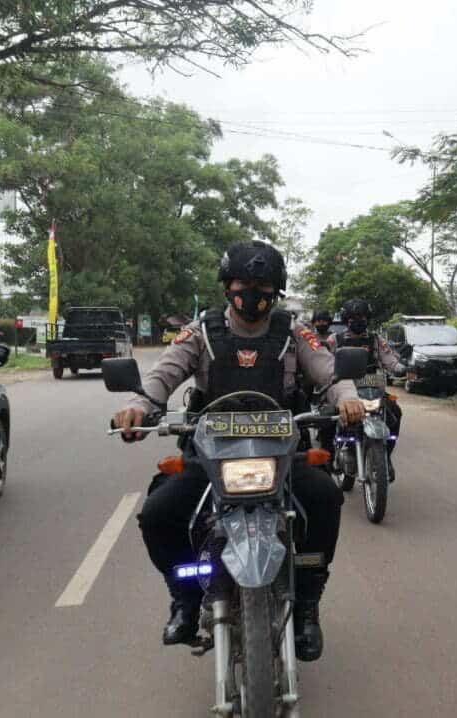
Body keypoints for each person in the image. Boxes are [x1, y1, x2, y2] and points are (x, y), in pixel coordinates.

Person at [112, 241, 365, 661]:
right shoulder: (201, 333)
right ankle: (186, 597)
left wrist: (347, 397)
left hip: (282, 455)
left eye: (263, 284)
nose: (253, 292)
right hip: (210, 456)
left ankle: (306, 606)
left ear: (277, 289)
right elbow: (163, 375)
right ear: (227, 286)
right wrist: (139, 407)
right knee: (159, 513)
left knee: (324, 498)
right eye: (244, 282)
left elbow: (330, 372)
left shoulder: (293, 333)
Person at [326, 299, 406, 479]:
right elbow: (326, 363)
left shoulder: (376, 339)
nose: (358, 320)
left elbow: (389, 360)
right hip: (345, 391)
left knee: (395, 413)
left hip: (372, 389)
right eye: (354, 317)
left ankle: (386, 457)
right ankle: (330, 459)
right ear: (347, 319)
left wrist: (401, 368)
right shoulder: (335, 340)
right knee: (327, 420)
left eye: (362, 317)